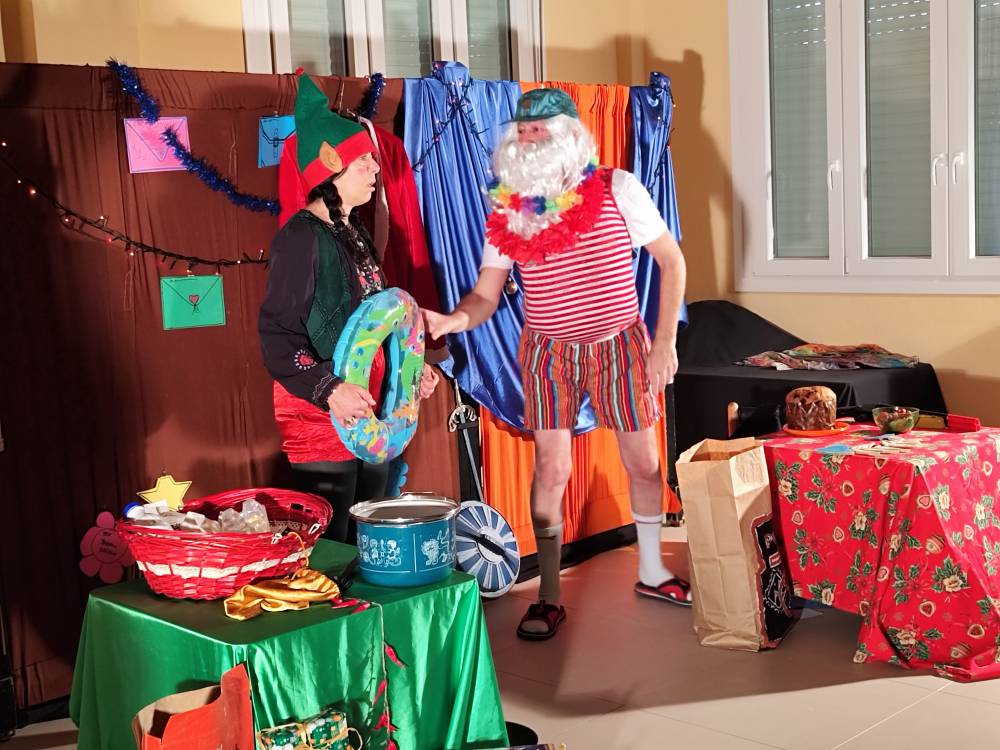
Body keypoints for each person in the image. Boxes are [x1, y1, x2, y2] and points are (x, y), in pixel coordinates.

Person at [424, 88, 690, 640]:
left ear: (569, 135)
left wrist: (664, 342)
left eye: (539, 130)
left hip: (619, 344)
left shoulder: (618, 188)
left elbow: (671, 261)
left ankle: (651, 570)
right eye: (521, 131)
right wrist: (454, 320)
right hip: (548, 351)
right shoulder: (511, 212)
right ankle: (548, 594)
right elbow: (486, 296)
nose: (527, 139)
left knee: (644, 464)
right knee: (551, 469)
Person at [259, 73, 439, 543]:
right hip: (320, 414)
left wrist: (409, 369)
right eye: (364, 161)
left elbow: (379, 321)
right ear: (330, 167)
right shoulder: (300, 239)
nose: (375, 169)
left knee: (369, 535)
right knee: (334, 544)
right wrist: (331, 389)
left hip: (369, 406)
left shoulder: (353, 231)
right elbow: (278, 335)